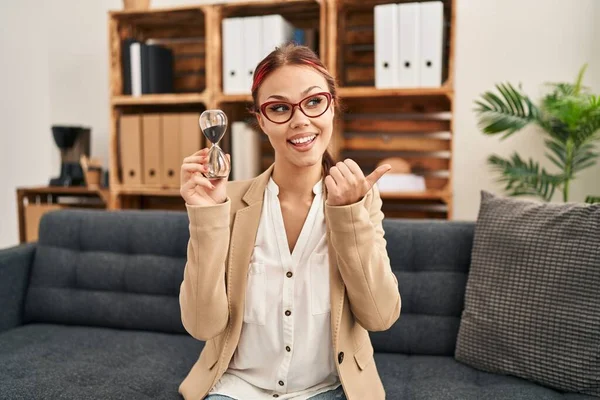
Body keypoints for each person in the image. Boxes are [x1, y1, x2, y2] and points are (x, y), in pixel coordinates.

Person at [178, 43, 401, 400]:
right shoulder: (227, 202)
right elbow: (202, 325)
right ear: (261, 120)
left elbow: (380, 316)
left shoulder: (360, 199)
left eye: (314, 102)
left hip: (328, 389)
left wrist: (349, 216)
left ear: (333, 106)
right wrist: (205, 218)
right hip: (238, 389)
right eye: (280, 108)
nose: (300, 120)